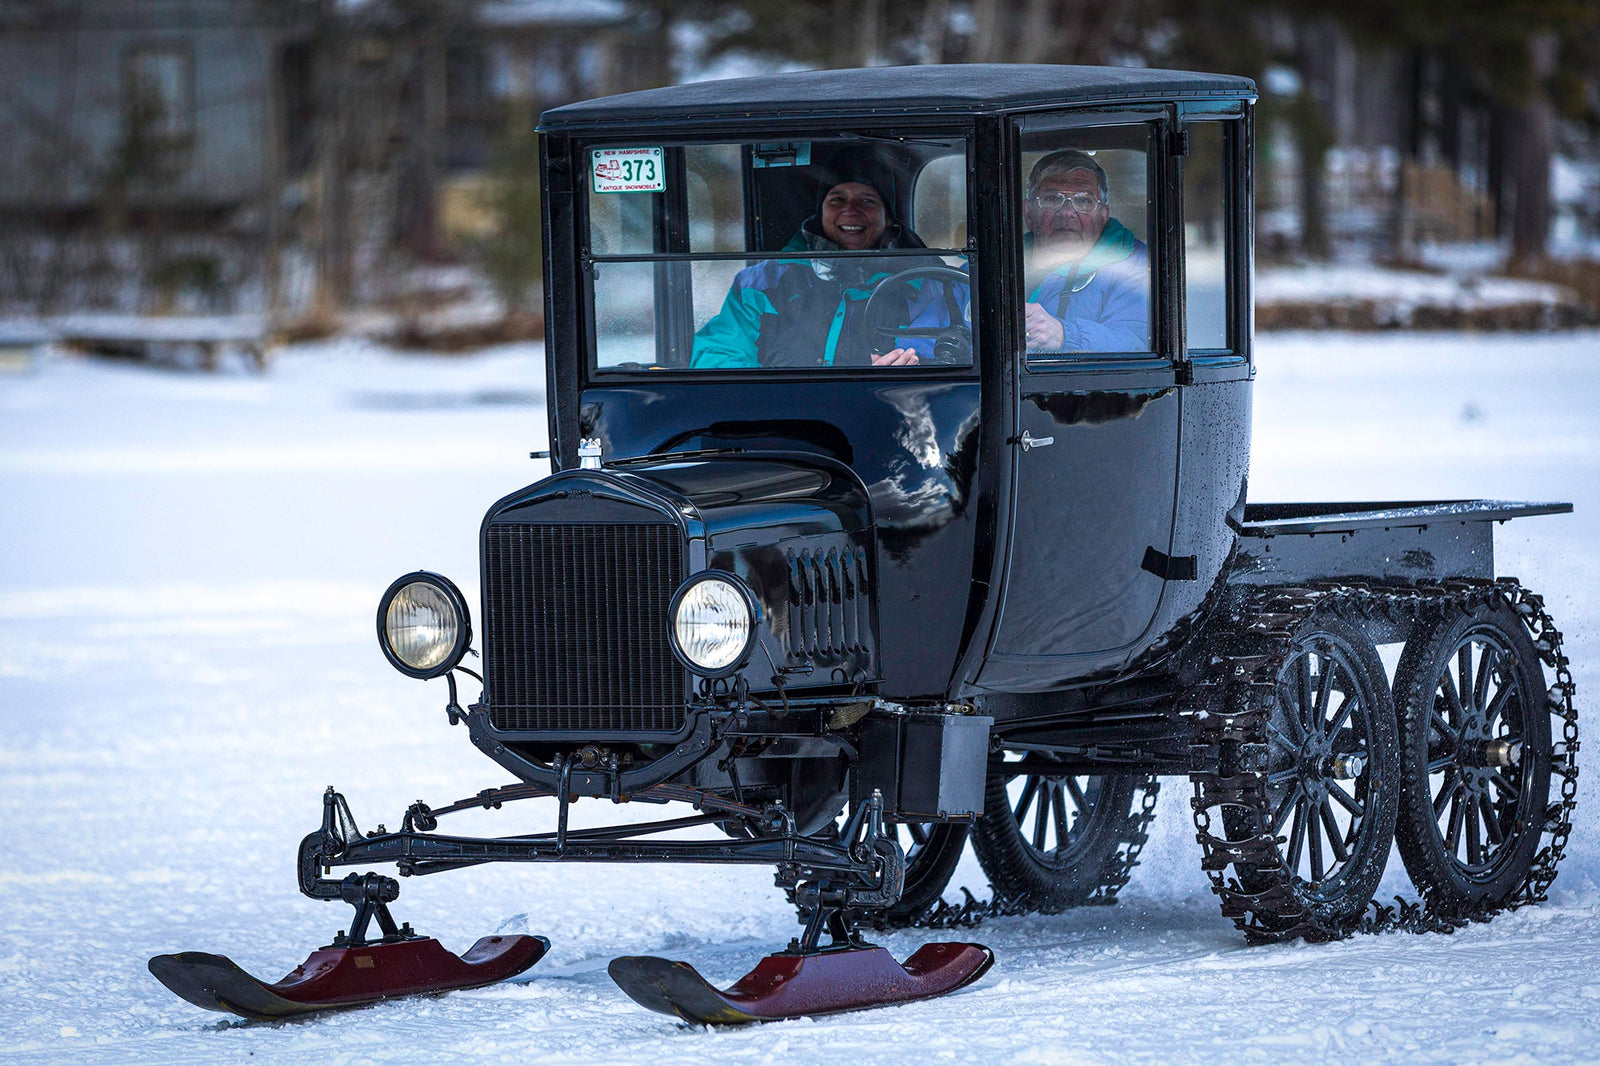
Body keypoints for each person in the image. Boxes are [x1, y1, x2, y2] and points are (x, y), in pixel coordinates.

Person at [690, 176, 956, 368]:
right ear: (820, 212)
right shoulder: (760, 283)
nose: (851, 210)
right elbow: (717, 358)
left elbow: (951, 354)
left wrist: (907, 371)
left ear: (887, 217)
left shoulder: (925, 283)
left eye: (867, 200)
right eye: (837, 199)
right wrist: (773, 399)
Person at [1022, 150, 1150, 354]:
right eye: (1052, 199)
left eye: (1083, 201)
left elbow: (1137, 344)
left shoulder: (1132, 265)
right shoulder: (990, 265)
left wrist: (1064, 335)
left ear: (1103, 216)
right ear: (1028, 213)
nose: (1067, 213)